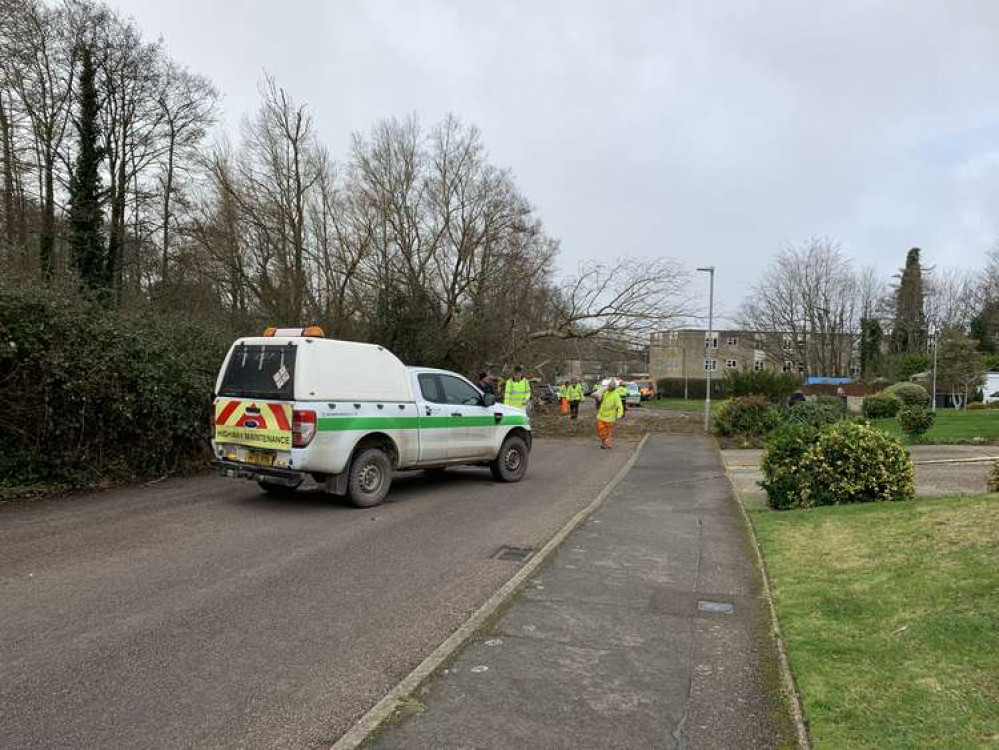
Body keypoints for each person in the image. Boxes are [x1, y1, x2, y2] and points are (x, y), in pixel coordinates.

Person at [596, 378, 624, 449]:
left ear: (613, 387)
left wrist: (619, 414)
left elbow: (619, 406)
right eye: (608, 386)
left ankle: (606, 444)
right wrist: (597, 395)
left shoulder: (616, 395)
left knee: (608, 432)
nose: (608, 388)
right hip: (601, 415)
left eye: (610, 387)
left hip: (609, 417)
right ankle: (606, 442)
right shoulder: (606, 393)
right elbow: (601, 399)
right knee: (601, 429)